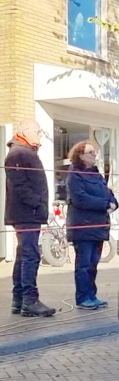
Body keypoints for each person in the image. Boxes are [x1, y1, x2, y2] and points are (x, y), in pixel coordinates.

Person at [4, 120, 56, 317]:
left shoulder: (24, 152)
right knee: (30, 255)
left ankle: (19, 300)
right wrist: (38, 203)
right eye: (38, 132)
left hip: (28, 213)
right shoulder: (18, 154)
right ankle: (29, 300)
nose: (40, 135)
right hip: (26, 214)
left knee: (24, 254)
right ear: (25, 132)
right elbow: (19, 185)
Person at [66, 141, 118, 310]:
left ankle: (92, 295)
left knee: (94, 263)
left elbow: (109, 193)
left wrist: (113, 203)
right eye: (90, 153)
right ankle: (82, 297)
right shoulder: (74, 175)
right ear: (80, 155)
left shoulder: (97, 174)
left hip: (99, 226)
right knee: (84, 264)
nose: (94, 156)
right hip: (83, 226)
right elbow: (80, 198)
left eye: (95, 153)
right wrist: (105, 204)